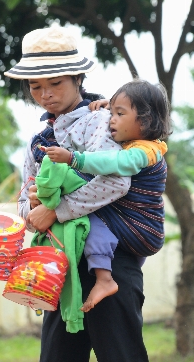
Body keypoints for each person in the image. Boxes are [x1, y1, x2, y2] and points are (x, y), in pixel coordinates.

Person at [4, 25, 150, 362]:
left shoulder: (102, 122)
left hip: (110, 264)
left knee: (121, 355)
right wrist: (32, 209)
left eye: (56, 83)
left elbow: (116, 182)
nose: (46, 94)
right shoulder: (37, 140)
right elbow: (24, 202)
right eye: (35, 86)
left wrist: (55, 211)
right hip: (58, 266)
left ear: (77, 79)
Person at [39, 79, 171, 312]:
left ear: (146, 120)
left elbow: (113, 164)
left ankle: (104, 278)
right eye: (111, 112)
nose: (111, 119)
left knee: (91, 218)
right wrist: (106, 107)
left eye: (119, 114)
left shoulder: (142, 152)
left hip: (141, 229)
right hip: (140, 235)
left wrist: (74, 159)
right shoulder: (140, 143)